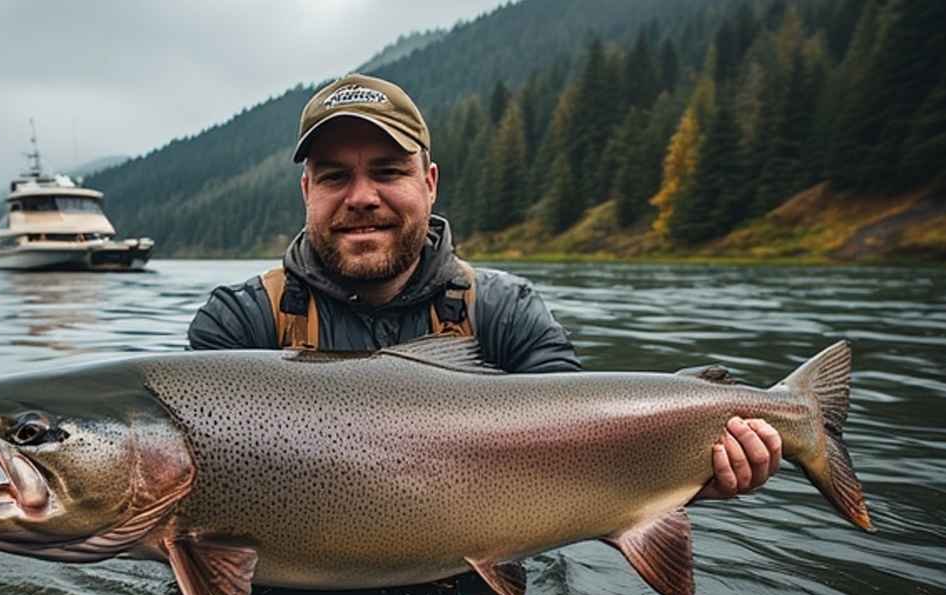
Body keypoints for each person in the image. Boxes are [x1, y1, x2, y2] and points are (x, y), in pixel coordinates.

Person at [188, 73, 781, 500]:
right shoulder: (240, 325)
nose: (362, 196)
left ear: (430, 183)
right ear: (307, 194)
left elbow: (581, 452)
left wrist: (686, 472)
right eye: (335, 177)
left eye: (389, 172)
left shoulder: (504, 312)